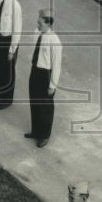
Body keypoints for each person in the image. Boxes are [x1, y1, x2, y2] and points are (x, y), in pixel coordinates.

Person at [26, 9, 62, 148]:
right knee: (34, 101)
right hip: (35, 70)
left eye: (40, 22)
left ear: (48, 23)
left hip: (45, 75)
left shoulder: (55, 42)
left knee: (45, 107)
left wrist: (52, 85)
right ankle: (36, 131)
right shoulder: (37, 33)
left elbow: (57, 66)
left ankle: (44, 135)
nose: (37, 24)